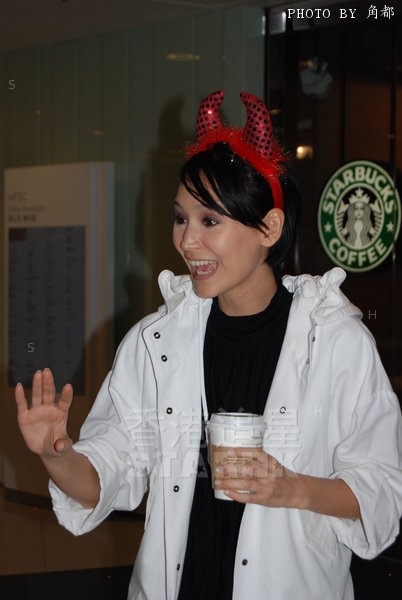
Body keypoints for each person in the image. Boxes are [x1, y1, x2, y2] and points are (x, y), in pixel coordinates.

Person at [15, 90, 402, 600]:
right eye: (181, 218)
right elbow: (110, 469)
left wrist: (292, 488)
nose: (186, 241)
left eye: (210, 221)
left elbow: (382, 492)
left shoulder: (333, 343)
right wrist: (56, 455)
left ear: (270, 227)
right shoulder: (156, 343)